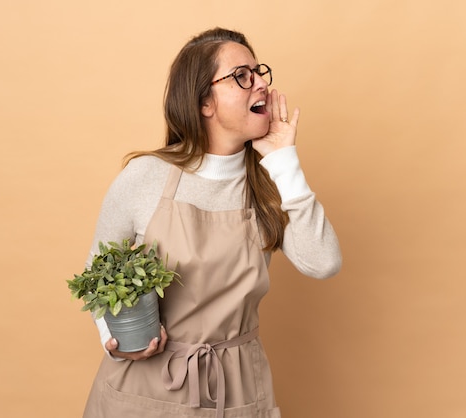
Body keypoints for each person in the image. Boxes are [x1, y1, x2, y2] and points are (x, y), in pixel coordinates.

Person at [81, 27, 342, 418]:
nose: (261, 86)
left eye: (259, 72)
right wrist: (115, 337)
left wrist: (285, 163)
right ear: (204, 102)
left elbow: (323, 263)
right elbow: (95, 274)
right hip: (146, 388)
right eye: (242, 76)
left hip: (237, 388)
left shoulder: (270, 182)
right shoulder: (145, 177)